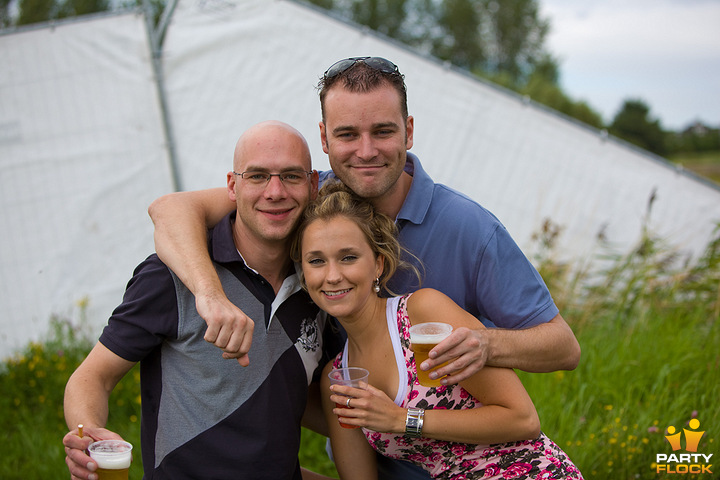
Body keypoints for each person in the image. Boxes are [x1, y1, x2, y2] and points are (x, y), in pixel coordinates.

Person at [147, 57, 581, 479]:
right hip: (378, 451)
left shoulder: (469, 228)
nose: (366, 151)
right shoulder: (306, 197)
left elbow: (563, 347)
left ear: (409, 132)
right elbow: (170, 210)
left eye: (383, 131)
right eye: (347, 134)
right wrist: (211, 298)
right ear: (324, 137)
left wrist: (484, 346)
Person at [62, 121, 336, 480]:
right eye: (256, 176)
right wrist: (88, 437)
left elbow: (292, 399)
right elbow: (91, 378)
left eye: (291, 176)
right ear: (231, 186)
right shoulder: (173, 272)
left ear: (313, 185)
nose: (275, 191)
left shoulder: (322, 281)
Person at [294, 180, 583, 479]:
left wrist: (402, 419)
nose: (332, 275)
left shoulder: (422, 316)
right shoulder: (339, 378)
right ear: (304, 273)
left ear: (378, 264)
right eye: (316, 261)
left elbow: (523, 419)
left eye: (348, 257)